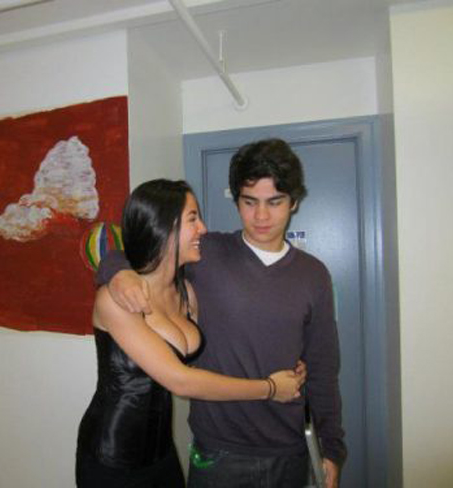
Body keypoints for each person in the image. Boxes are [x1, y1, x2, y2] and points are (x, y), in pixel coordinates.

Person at [98, 140, 346, 488]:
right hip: (218, 452)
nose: (261, 216)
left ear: (294, 202)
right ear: (237, 200)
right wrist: (117, 271)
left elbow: (322, 368)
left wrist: (331, 448)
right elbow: (140, 248)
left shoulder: (313, 275)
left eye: (275, 202)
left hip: (289, 449)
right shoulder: (206, 253)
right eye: (249, 202)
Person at [76, 179, 307, 488]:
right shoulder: (118, 298)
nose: (203, 229)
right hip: (110, 457)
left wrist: (281, 365)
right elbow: (180, 381)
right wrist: (270, 388)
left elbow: (224, 345)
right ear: (163, 226)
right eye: (193, 219)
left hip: (162, 453)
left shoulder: (186, 291)